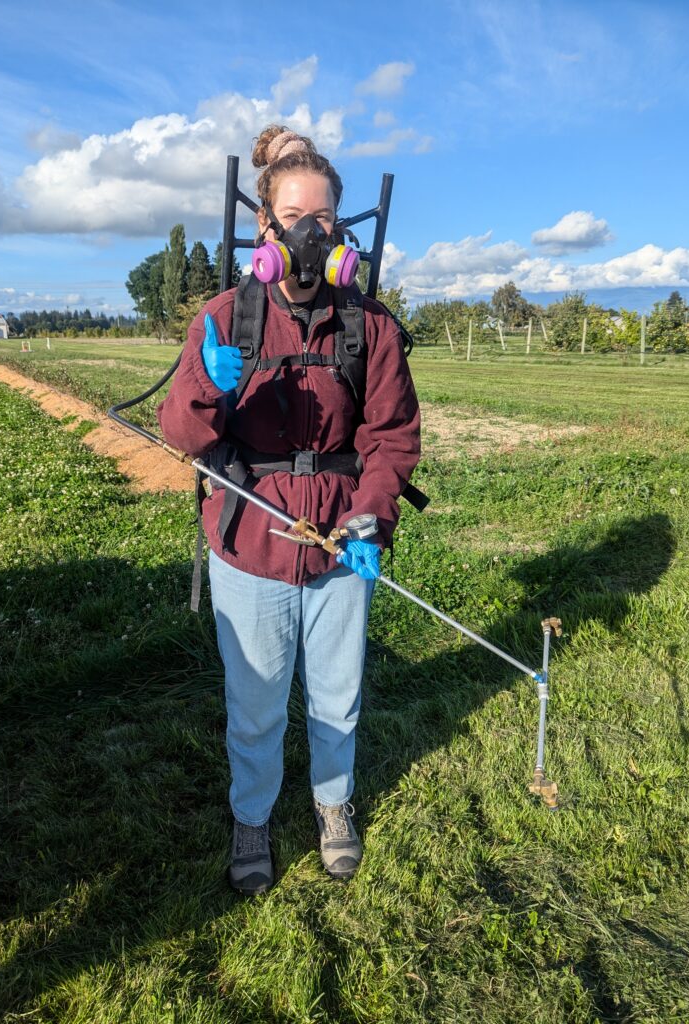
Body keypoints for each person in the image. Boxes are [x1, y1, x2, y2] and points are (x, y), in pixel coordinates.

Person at [157, 125, 420, 895]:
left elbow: (391, 437)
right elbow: (182, 436)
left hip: (339, 540)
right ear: (262, 228)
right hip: (250, 542)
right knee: (257, 700)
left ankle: (332, 806)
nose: (309, 232)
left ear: (339, 232)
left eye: (324, 220)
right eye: (293, 216)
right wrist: (207, 383)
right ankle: (252, 814)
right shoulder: (223, 315)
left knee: (337, 690)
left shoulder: (369, 325)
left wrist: (371, 518)